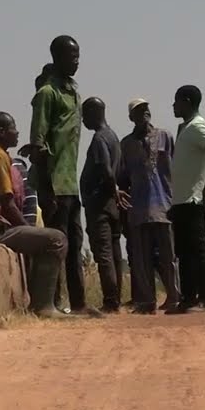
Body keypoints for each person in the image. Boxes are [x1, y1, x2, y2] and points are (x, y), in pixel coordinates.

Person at [0, 112, 77, 319]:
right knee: (56, 239)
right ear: (2, 132)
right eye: (13, 128)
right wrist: (27, 228)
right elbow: (7, 203)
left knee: (40, 239)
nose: (17, 132)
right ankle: (44, 307)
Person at [28, 35, 87, 314]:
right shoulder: (46, 94)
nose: (76, 61)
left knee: (75, 244)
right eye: (71, 56)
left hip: (71, 183)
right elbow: (38, 145)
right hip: (54, 183)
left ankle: (79, 304)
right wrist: (46, 189)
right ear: (57, 57)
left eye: (78, 56)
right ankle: (53, 303)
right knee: (56, 246)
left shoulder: (73, 91)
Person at [167, 85, 205, 314]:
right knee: (183, 252)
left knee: (198, 250)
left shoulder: (198, 126)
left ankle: (204, 300)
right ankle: (188, 298)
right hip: (180, 201)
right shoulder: (186, 127)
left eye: (177, 101)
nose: (173, 106)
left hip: (193, 200)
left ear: (188, 101)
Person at [118, 98, 180, 314]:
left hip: (164, 204)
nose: (144, 113)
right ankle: (147, 302)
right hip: (139, 207)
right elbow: (122, 176)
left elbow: (177, 167)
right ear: (131, 117)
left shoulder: (165, 136)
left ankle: (174, 297)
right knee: (141, 259)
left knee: (168, 257)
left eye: (146, 109)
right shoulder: (126, 144)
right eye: (138, 110)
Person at [80, 97, 126, 313]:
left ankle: (110, 301)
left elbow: (107, 171)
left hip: (100, 204)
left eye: (84, 114)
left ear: (93, 113)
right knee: (115, 252)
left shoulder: (100, 139)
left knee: (105, 253)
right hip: (111, 204)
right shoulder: (113, 136)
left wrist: (111, 190)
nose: (82, 119)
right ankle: (115, 298)